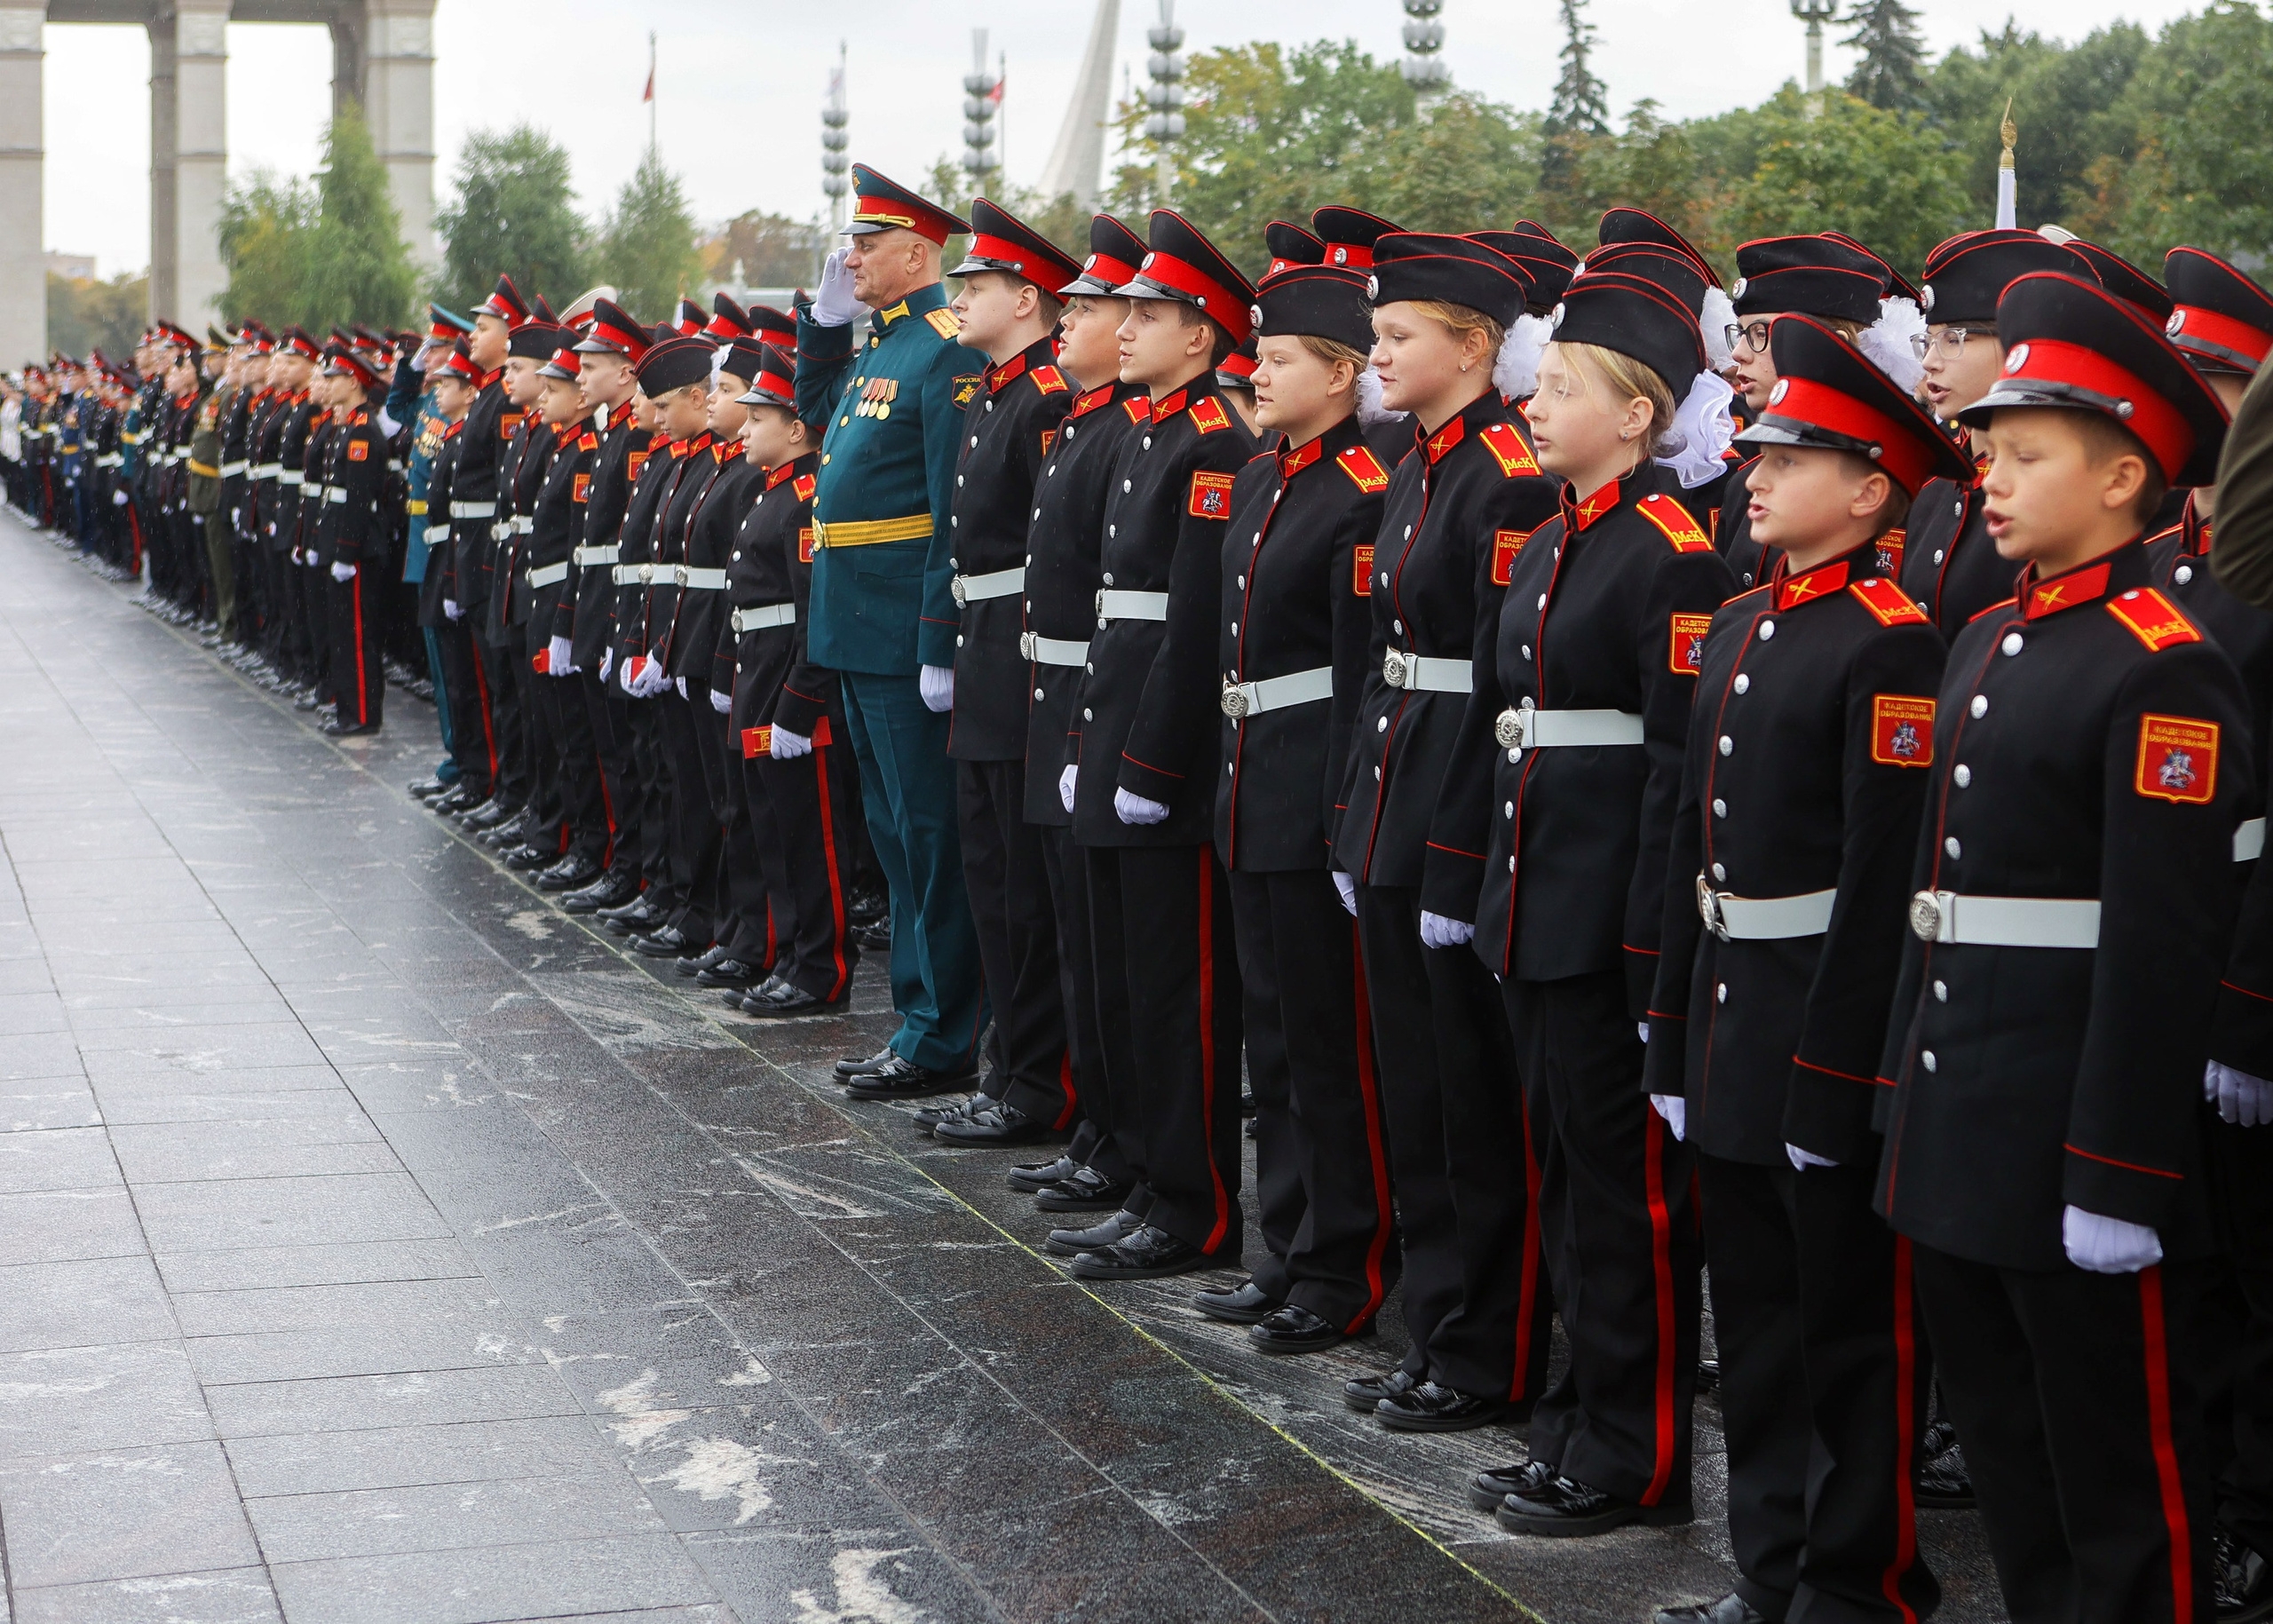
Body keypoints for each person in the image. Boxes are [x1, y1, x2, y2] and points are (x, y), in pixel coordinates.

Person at [1875, 268, 2245, 1624]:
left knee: (2115, 1479)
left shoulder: (2165, 664)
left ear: (2129, 478)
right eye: (1991, 451)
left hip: (2069, 1124)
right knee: (2016, 1463)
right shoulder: (1984, 639)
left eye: (2029, 456)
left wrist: (2120, 1168)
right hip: (1960, 1116)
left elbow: (2161, 941)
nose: (1992, 478)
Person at [1645, 314, 1968, 1623]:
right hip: (1727, 1012)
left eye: (1790, 457)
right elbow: (1689, 845)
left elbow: (1886, 886)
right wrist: (1669, 1031)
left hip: (1818, 1024)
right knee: (1760, 1333)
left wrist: (1840, 1074)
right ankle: (1769, 1567)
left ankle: (1859, 1580)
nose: (1755, 473)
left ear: (1873, 487)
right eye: (1757, 453)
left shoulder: (1892, 643)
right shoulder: (1737, 626)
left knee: (1849, 1334)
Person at [1441, 258, 1732, 1532]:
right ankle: (1579, 1412)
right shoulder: (1562, 535)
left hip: (1606, 906)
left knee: (1629, 1193)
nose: (1536, 406)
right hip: (1535, 895)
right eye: (1539, 383)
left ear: (1636, 413)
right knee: (1565, 1172)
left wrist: (1646, 934)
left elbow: (1674, 772)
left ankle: (1640, 1453)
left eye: (1563, 389)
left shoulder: (1668, 552)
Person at [1331, 232, 1558, 1431]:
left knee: (1474, 1101)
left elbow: (1501, 679)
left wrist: (1459, 849)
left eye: (1398, 336)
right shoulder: (1415, 463)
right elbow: (1385, 657)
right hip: (1395, 782)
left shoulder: (1507, 473)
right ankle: (1438, 1326)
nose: (1377, 357)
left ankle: (1493, 1349)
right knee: (1412, 1090)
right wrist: (1356, 819)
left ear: (1471, 345)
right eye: (1375, 338)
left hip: (1457, 793)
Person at [1196, 209, 1397, 1354]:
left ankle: (1344, 1265)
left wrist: (1339, 814)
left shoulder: (1359, 488)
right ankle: (1288, 1247)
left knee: (1327, 1048)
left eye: (1275, 361)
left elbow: (1359, 671)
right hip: (1245, 780)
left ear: (1341, 373)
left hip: (1309, 783)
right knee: (1270, 1039)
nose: (1255, 376)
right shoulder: (1271, 473)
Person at [1059, 208, 1259, 1282]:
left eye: (1149, 312)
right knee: (1126, 977)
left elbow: (1190, 626)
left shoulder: (1212, 444)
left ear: (1201, 335)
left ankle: (1193, 1203)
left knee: (1176, 990)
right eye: (1123, 309)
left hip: (1163, 752)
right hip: (1115, 715)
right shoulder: (1145, 428)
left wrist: (1148, 761)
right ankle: (1145, 1176)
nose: (1123, 328)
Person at [796, 164, 990, 1099]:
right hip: (852, 620)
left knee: (926, 835)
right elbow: (820, 423)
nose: (851, 257)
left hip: (900, 627)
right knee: (893, 833)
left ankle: (942, 1029)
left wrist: (937, 639)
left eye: (866, 247)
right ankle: (919, 1017)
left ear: (918, 253)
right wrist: (824, 330)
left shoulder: (945, 348)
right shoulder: (882, 348)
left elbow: (953, 509)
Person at [2145, 245, 2273, 1622]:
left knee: (2252, 1273)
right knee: (2195, 1270)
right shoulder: (2171, 559)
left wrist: (2246, 999)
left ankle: (2253, 1510)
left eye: (2219, 379)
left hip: (2245, 974)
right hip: (2170, 967)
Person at [927, 198, 1084, 1147]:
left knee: (1025, 889)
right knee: (990, 872)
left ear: (1026, 299)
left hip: (1023, 652)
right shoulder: (994, 391)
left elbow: (1052, 551)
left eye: (973, 286)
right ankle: (1010, 1066)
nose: (960, 299)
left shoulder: (1046, 396)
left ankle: (1037, 1081)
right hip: (984, 643)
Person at [1010, 215, 1155, 1224]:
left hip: (1115, 713)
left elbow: (1157, 617)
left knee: (1138, 967)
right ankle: (1103, 1136)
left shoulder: (1176, 438)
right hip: (1069, 698)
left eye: (1107, 311)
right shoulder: (1099, 425)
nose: (1076, 322)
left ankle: (1143, 1161)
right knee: (1083, 944)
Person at [723, 343, 861, 1018]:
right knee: (774, 829)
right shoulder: (770, 493)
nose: (744, 429)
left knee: (813, 837)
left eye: (758, 418)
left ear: (797, 428)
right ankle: (790, 956)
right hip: (761, 675)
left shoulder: (805, 498)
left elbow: (814, 612)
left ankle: (822, 967)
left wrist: (799, 705)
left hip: (790, 687)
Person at [1900, 229, 2094, 637]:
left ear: (2018, 349)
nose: (1930, 362)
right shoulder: (1936, 488)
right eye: (1928, 342)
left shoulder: (2056, 496)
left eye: (1953, 340)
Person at [1715, 234, 1923, 592]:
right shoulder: (1743, 483)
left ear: (1836, 345)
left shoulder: (1898, 480)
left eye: (1761, 333)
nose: (1738, 354)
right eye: (1741, 333)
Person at [557, 299, 654, 915]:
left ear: (624, 372)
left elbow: (632, 542)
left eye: (591, 366)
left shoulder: (635, 435)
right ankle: (622, 862)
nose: (580, 376)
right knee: (607, 746)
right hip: (599, 605)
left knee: (628, 754)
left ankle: (633, 870)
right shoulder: (612, 431)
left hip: (620, 608)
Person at [313, 342, 391, 736]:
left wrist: (345, 552)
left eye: (336, 377)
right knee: (342, 631)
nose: (329, 383)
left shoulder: (363, 432)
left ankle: (362, 712)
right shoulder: (349, 426)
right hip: (343, 540)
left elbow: (359, 500)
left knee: (358, 634)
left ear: (355, 381)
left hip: (358, 547)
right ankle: (348, 706)